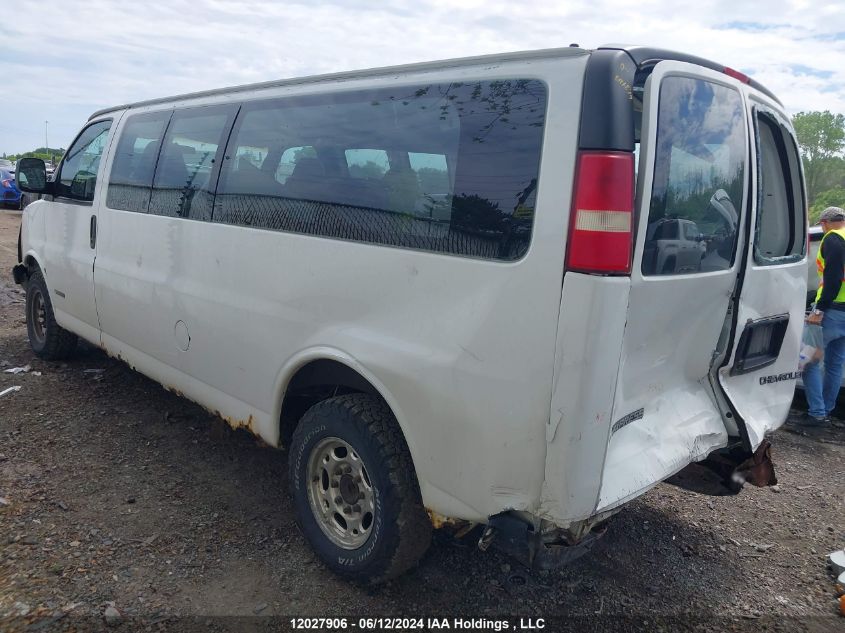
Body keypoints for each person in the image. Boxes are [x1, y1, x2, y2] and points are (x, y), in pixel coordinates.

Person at [802, 206, 845, 426]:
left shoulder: (832, 238)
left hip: (832, 312)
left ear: (825, 223)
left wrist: (819, 310)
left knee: (808, 361)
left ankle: (817, 414)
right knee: (835, 365)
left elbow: (833, 278)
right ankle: (826, 410)